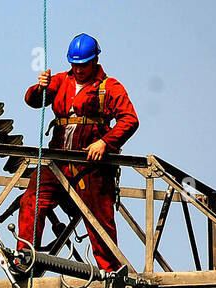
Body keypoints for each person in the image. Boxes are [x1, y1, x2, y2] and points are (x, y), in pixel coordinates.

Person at [15, 33, 139, 273]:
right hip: (58, 162)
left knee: (99, 217)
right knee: (32, 199)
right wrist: (37, 87)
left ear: (95, 61)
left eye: (83, 65)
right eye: (75, 64)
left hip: (90, 165)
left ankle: (111, 269)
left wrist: (105, 142)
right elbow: (33, 101)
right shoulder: (61, 81)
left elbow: (129, 120)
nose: (79, 69)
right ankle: (25, 255)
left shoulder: (109, 87)